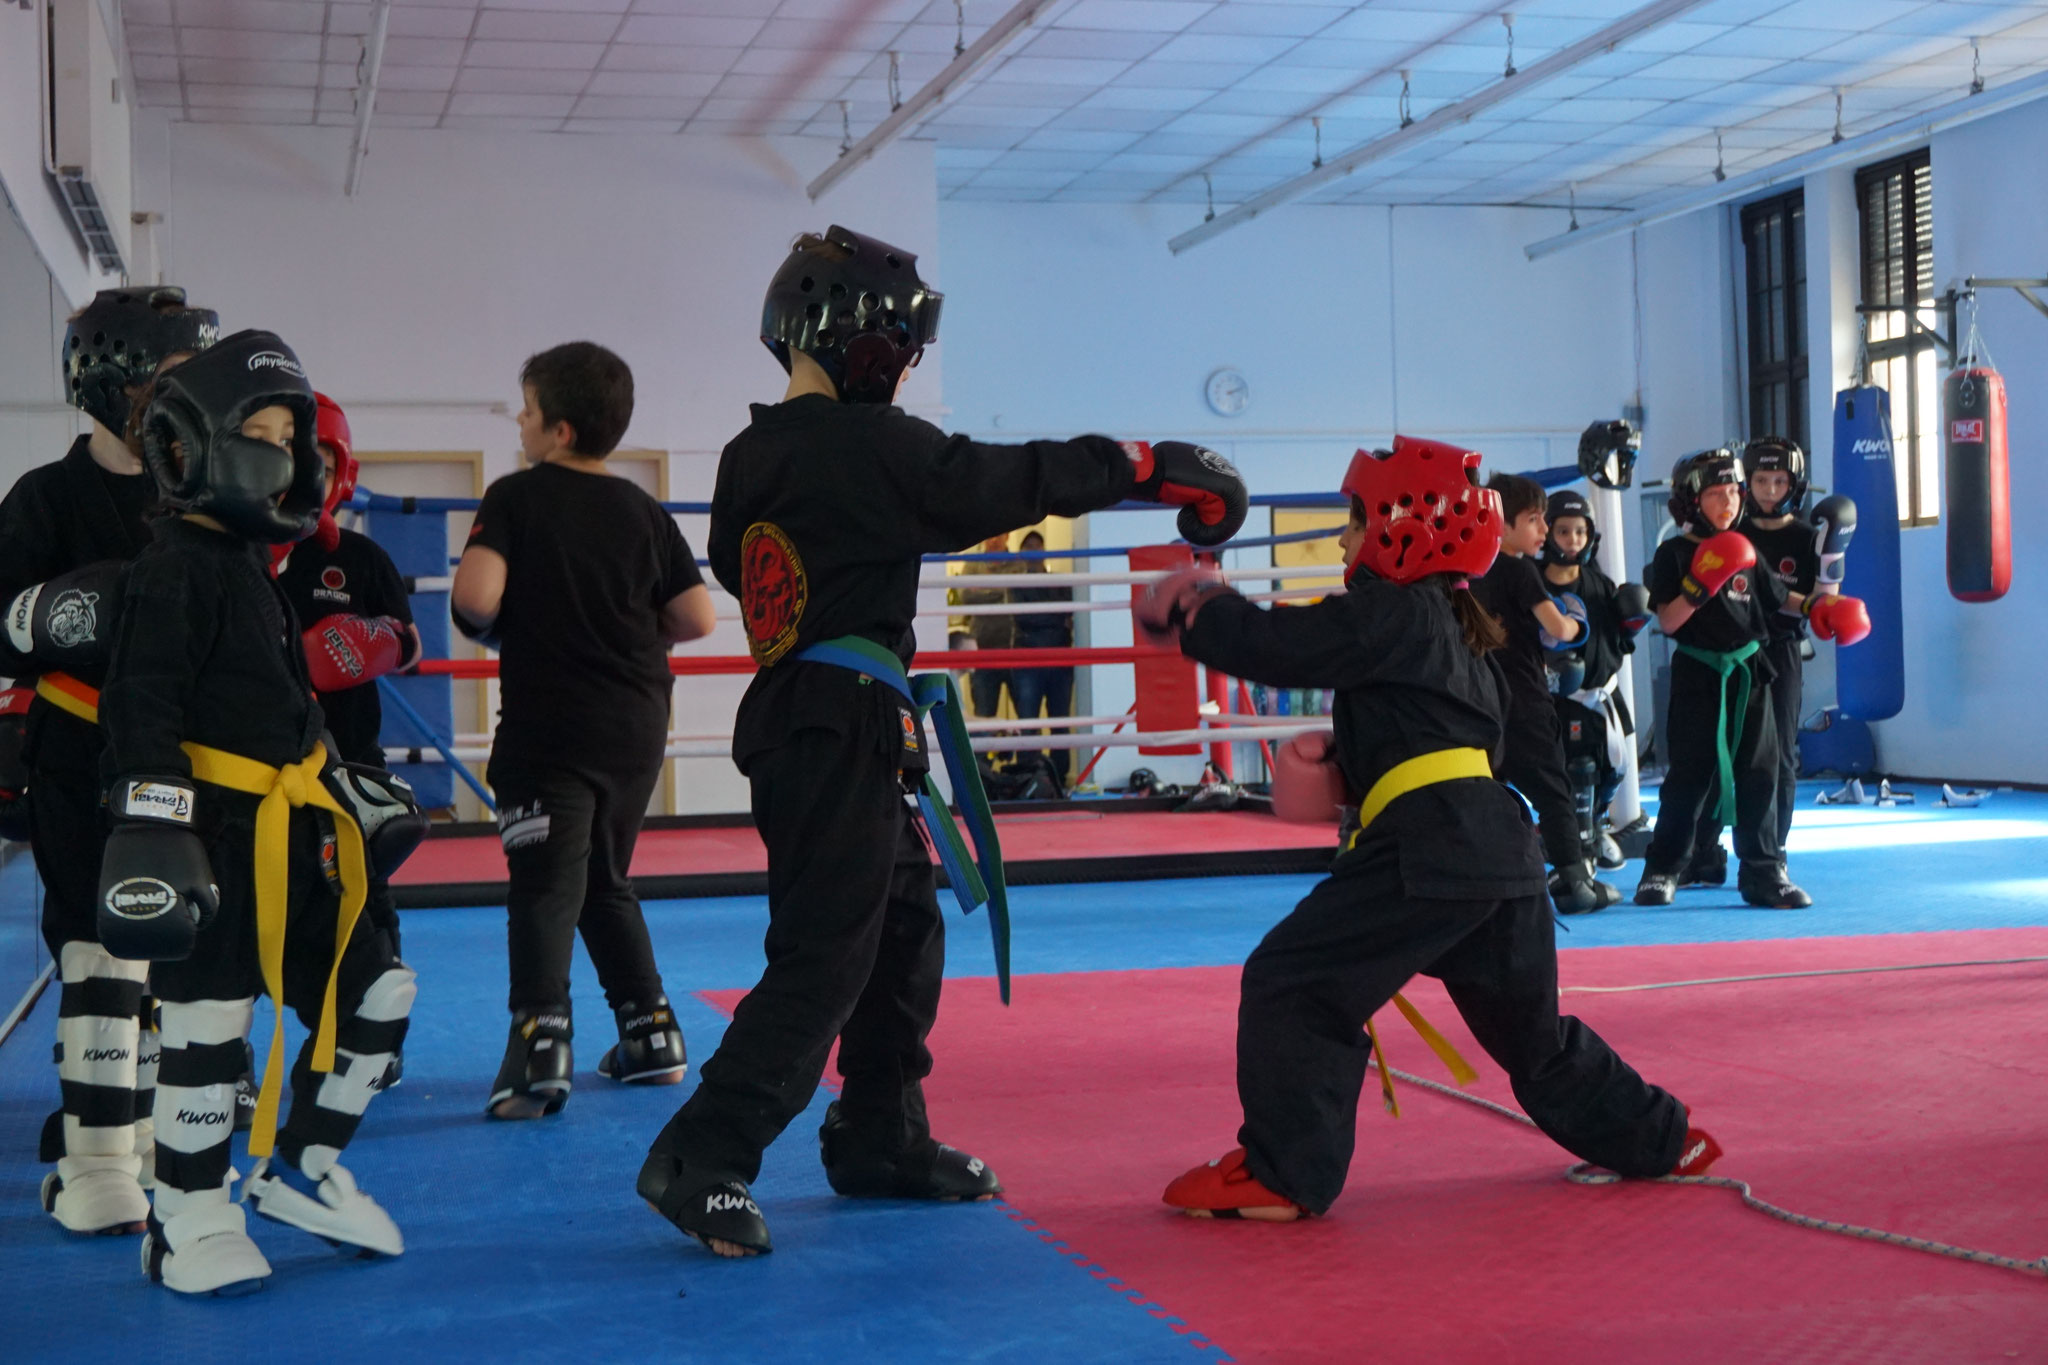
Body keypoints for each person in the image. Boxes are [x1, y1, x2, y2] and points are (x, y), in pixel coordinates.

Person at [637, 224, 1248, 1258]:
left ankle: (878, 1134)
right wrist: (1144, 464)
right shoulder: (873, 445)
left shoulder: (750, 456)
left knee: (905, 930)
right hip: (837, 725)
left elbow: (747, 580)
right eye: (901, 348)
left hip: (817, 722)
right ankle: (706, 1151)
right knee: (827, 952)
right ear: (860, 338)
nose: (905, 368)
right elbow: (999, 480)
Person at [1146, 439, 1721, 1222]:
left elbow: (1289, 646)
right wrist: (1352, 769)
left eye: (1354, 521)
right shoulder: (1462, 627)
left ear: (1401, 526)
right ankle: (1664, 1137)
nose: (1345, 540)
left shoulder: (1396, 606)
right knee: (1536, 1041)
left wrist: (1204, 608)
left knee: (1294, 981)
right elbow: (1446, 744)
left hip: (1431, 847)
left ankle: (1283, 1174)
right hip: (1495, 850)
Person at [98, 329, 427, 1295]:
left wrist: (343, 791)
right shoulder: (170, 570)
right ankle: (187, 1215)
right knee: (206, 1029)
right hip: (211, 836)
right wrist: (152, 826)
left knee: (378, 989)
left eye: (294, 434)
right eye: (264, 431)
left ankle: (303, 1164)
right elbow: (141, 706)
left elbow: (288, 708)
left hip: (295, 837)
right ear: (192, 448)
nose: (285, 453)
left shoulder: (253, 571)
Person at [0, 287, 218, 1237]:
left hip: (185, 755)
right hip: (76, 748)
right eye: (176, 376)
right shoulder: (45, 498)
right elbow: (2, 631)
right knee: (98, 945)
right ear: (115, 378)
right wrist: (60, 611)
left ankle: (151, 1141)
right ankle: (95, 1163)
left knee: (182, 949)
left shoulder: (204, 489)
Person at [451, 342, 715, 1121]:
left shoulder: (517, 497)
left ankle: (540, 1048)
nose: (521, 425)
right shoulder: (643, 508)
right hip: (636, 725)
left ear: (559, 430)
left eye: (527, 412)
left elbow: (475, 599)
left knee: (543, 885)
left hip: (551, 728)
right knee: (603, 877)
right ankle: (651, 1033)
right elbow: (696, 617)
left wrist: (523, 621)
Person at [1634, 450, 1867, 909]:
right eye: (1715, 495)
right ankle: (1663, 868)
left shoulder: (1745, 549)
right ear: (1691, 501)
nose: (1727, 504)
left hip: (1752, 670)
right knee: (1690, 777)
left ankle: (1762, 872)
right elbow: (1669, 621)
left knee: (1761, 772)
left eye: (1732, 494)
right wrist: (1700, 586)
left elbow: (1776, 598)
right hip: (1700, 674)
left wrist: (1816, 608)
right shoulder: (1674, 554)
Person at [1684, 439, 1855, 885]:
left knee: (1777, 757)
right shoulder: (1727, 531)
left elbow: (1822, 609)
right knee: (1712, 752)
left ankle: (1769, 853)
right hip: (1727, 654)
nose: (1769, 489)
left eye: (1779, 480)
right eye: (1760, 480)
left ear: (1794, 484)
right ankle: (1703, 850)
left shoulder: (1806, 537)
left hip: (1779, 653)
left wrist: (1833, 559)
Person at [1470, 473, 1620, 914]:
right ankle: (1574, 881)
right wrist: (1577, 623)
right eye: (1534, 520)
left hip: (1478, 697)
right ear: (1503, 523)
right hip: (1524, 698)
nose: (1542, 530)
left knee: (1487, 788)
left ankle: (1487, 879)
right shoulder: (1521, 570)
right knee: (1553, 790)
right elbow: (1557, 629)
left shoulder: (1469, 571)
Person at [1538, 490, 1652, 870]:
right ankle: (1578, 852)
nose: (1573, 540)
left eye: (1580, 532)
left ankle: (1596, 825)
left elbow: (1612, 642)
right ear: (1548, 533)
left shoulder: (1598, 583)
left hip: (1603, 697)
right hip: (1557, 701)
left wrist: (1630, 625)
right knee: (1577, 771)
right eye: (1564, 531)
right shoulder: (1535, 585)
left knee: (1612, 769)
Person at [1007, 529, 1076, 782]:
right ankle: (1027, 778)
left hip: (1058, 659)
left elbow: (1066, 615)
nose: (1034, 552)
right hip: (1029, 659)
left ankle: (1059, 778)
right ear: (1022, 555)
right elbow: (1026, 618)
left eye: (1038, 546)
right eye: (1029, 547)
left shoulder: (1060, 582)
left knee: (1060, 720)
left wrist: (1053, 620)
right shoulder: (1015, 584)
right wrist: (1057, 620)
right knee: (1028, 721)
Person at [949, 534, 1022, 718]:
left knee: (1026, 718)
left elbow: (1014, 594)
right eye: (990, 536)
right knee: (983, 715)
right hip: (982, 650)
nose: (994, 540)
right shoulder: (973, 564)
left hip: (1014, 649)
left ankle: (1019, 747)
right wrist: (1000, 591)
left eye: (999, 535)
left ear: (1007, 536)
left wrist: (983, 589)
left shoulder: (1018, 564)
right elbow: (966, 596)